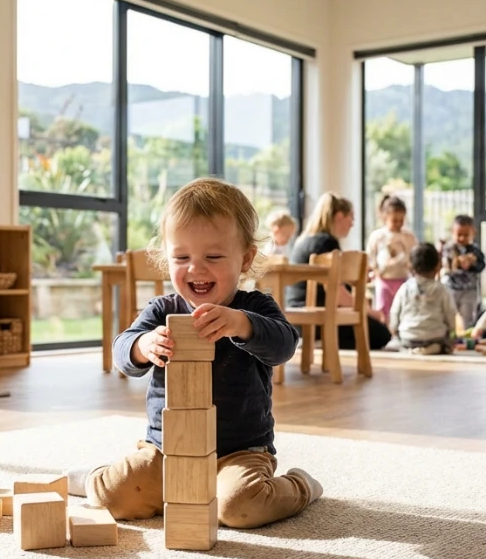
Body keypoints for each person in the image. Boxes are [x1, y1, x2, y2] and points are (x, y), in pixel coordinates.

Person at [71, 177, 321, 529]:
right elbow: (122, 351)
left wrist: (243, 325)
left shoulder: (254, 307)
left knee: (239, 507)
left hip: (240, 451)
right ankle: (95, 478)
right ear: (165, 258)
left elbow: (285, 345)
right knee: (116, 496)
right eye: (181, 257)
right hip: (165, 449)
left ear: (246, 258)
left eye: (214, 256)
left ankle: (301, 486)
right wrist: (144, 345)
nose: (196, 268)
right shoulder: (162, 310)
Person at [286, 192, 393, 351]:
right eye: (351, 217)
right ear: (339, 216)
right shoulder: (326, 242)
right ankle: (326, 341)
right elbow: (336, 294)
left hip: (297, 320)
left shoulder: (304, 241)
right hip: (320, 317)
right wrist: (370, 312)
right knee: (382, 334)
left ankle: (323, 342)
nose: (352, 223)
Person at [388, 243, 457, 355]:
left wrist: (394, 331)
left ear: (410, 267)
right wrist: (452, 333)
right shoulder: (442, 289)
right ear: (438, 266)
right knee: (446, 344)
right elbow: (451, 314)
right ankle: (434, 348)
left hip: (408, 337)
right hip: (434, 337)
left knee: (396, 342)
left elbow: (394, 313)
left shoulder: (405, 288)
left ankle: (407, 348)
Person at [365, 195, 419, 323]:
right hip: (384, 280)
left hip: (403, 279)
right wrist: (375, 271)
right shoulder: (378, 236)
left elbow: (414, 255)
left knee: (403, 310)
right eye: (395, 220)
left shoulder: (408, 236)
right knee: (384, 309)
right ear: (385, 217)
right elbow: (370, 256)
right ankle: (385, 334)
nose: (398, 224)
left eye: (401, 220)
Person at [439, 215, 486, 329]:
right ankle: (448, 334)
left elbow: (481, 266)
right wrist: (456, 263)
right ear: (452, 232)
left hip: (469, 289)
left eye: (466, 235)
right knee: (448, 314)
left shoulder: (475, 250)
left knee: (468, 316)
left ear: (473, 233)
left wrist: (472, 263)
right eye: (459, 234)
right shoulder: (448, 248)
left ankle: (467, 336)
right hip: (451, 288)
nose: (462, 238)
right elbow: (445, 266)